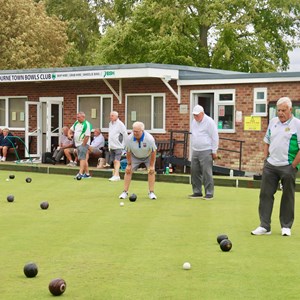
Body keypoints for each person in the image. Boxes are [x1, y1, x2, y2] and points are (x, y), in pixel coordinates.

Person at [251, 97, 300, 237]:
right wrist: (266, 160)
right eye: (278, 110)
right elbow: (266, 141)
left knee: (288, 196)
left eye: (283, 110)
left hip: (288, 165)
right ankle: (264, 226)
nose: (280, 113)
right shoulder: (273, 122)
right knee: (265, 194)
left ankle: (286, 226)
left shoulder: (297, 124)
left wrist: (293, 166)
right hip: (271, 165)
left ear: (290, 110)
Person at [119, 121, 157, 200]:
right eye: (134, 131)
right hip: (135, 156)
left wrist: (152, 165)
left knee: (151, 171)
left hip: (148, 156)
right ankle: (125, 192)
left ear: (142, 131)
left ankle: (151, 192)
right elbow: (128, 152)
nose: (135, 133)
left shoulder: (149, 139)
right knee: (128, 171)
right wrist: (129, 164)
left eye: (137, 131)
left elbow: (153, 151)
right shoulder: (129, 138)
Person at [189, 105, 219, 200]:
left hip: (206, 150)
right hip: (195, 150)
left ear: (202, 113)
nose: (195, 117)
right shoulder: (194, 122)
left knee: (206, 172)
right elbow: (193, 135)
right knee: (194, 171)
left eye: (197, 115)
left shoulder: (209, 122)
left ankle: (209, 193)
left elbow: (215, 137)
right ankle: (197, 192)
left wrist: (214, 151)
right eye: (194, 115)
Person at [69, 112, 92, 179]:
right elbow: (70, 130)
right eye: (77, 117)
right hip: (78, 144)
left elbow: (87, 136)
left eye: (79, 117)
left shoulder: (86, 124)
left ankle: (80, 173)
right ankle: (87, 174)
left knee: (82, 158)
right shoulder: (76, 122)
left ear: (83, 117)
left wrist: (83, 145)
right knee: (83, 159)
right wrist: (69, 135)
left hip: (83, 144)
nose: (77, 118)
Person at [108, 111, 128, 181]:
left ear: (116, 116)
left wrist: (124, 145)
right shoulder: (110, 124)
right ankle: (117, 175)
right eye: (110, 115)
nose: (111, 117)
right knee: (114, 161)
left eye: (112, 115)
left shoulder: (120, 124)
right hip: (112, 146)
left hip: (118, 146)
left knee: (117, 160)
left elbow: (125, 134)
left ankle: (116, 175)